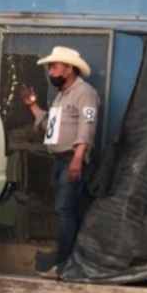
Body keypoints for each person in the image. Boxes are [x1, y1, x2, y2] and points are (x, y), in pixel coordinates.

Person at [20, 46, 100, 278]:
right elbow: (51, 128)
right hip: (59, 161)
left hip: (71, 161)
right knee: (65, 211)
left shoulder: (85, 93)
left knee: (66, 211)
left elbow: (88, 126)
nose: (50, 71)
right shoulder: (61, 96)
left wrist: (77, 157)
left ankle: (65, 266)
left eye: (54, 67)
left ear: (69, 68)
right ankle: (66, 263)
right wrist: (33, 106)